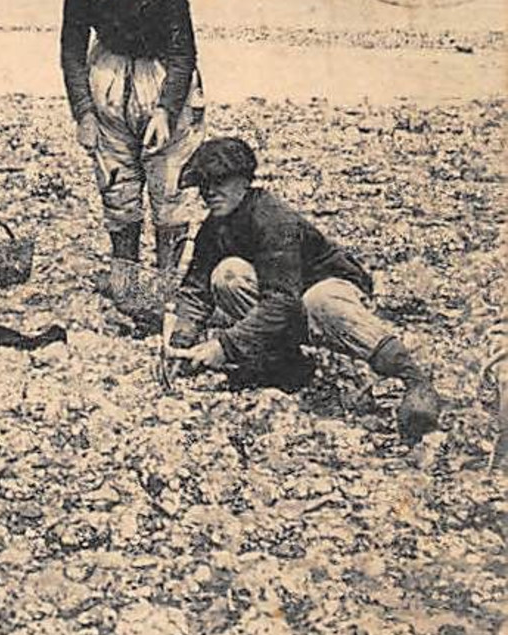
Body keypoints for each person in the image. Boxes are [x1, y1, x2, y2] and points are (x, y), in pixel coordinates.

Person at [167, 137, 442, 439]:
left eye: (219, 182)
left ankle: (414, 378)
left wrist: (225, 346)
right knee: (227, 276)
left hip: (330, 291)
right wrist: (180, 344)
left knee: (319, 301)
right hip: (290, 306)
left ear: (244, 181)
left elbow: (280, 302)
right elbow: (195, 291)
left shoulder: (273, 219)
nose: (208, 192)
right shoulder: (214, 228)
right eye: (203, 185)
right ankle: (286, 363)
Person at [60, 0, 205, 297]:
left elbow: (183, 52)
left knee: (169, 184)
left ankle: (166, 284)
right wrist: (83, 112)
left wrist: (166, 111)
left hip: (159, 84)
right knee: (116, 183)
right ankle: (124, 279)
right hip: (108, 84)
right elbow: (71, 51)